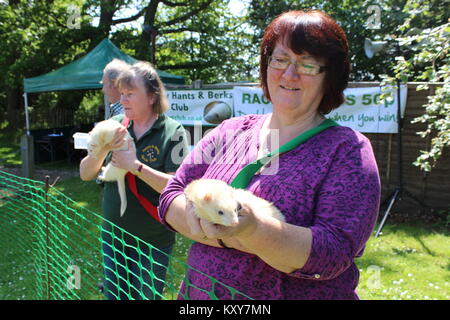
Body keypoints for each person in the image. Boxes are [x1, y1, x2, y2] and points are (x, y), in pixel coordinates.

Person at [158, 10, 381, 300]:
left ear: (331, 76)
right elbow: (170, 195)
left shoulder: (347, 151)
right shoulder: (230, 130)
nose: (290, 74)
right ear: (266, 65)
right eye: (280, 59)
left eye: (308, 64)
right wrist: (226, 231)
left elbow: (332, 253)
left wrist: (251, 227)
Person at [80, 61, 189, 300]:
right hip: (114, 237)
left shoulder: (174, 131)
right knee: (116, 296)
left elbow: (176, 188)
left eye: (130, 94)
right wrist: (99, 151)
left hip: (153, 241)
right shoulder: (114, 125)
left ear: (151, 97)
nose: (123, 99)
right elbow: (85, 173)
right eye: (123, 94)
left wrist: (135, 166)